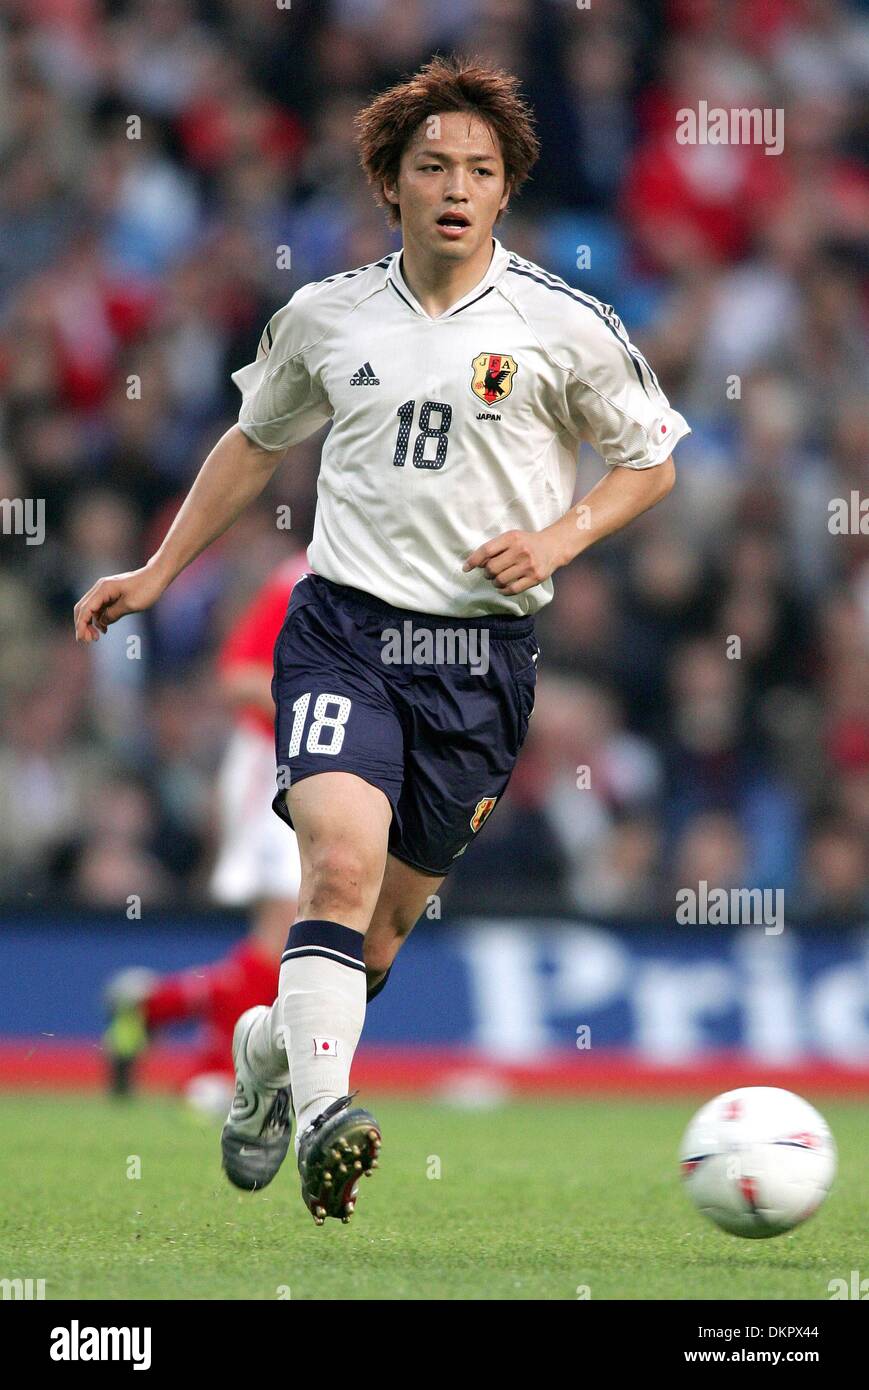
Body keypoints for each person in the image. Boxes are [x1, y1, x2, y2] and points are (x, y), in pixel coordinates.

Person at [74, 56, 689, 1226]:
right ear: (391, 184)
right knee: (337, 872)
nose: (456, 186)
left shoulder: (563, 326)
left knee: (381, 936)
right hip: (345, 632)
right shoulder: (326, 315)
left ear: (506, 191)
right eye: (432, 166)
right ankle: (325, 1119)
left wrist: (559, 540)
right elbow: (252, 444)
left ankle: (265, 1062)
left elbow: (650, 461)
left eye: (480, 169)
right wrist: (158, 571)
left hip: (480, 666)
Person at [102, 552, 308, 1106]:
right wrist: (328, 717)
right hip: (278, 766)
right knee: (286, 929)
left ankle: (152, 1006)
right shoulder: (303, 576)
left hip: (338, 773)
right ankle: (215, 1071)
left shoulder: (400, 577)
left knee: (306, 938)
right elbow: (239, 674)